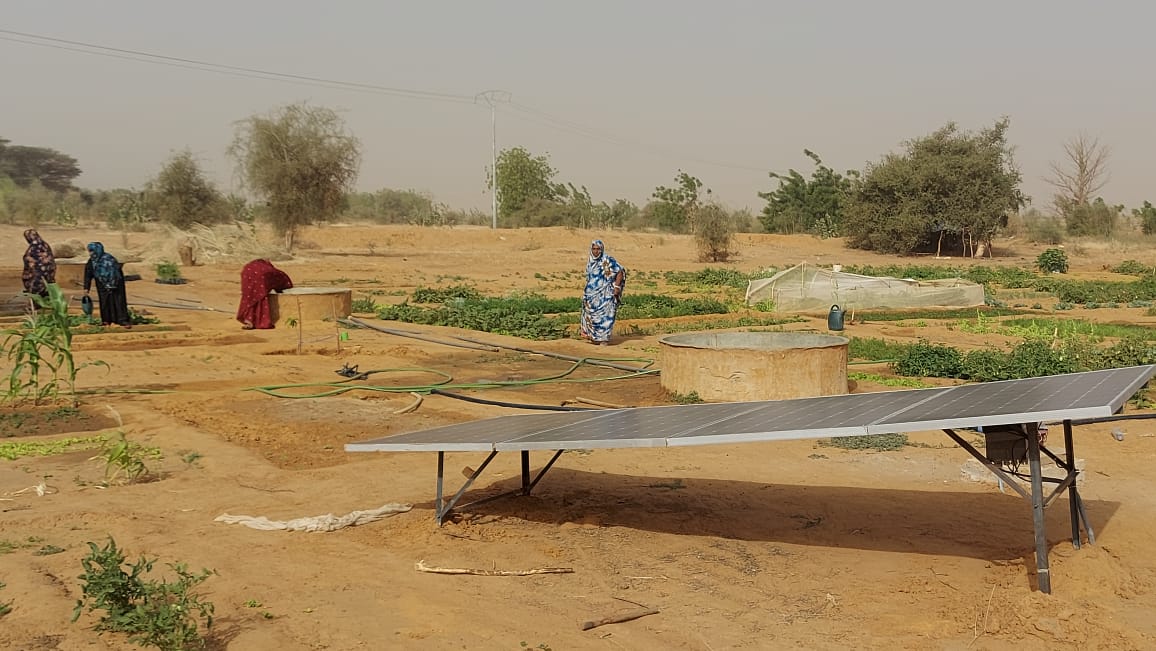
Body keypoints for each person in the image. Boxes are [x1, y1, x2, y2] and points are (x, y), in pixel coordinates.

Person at [580, 239, 625, 346]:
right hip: (591, 295)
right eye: (594, 249)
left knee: (606, 316)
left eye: (598, 249)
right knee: (591, 315)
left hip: (605, 295)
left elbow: (619, 271)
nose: (596, 251)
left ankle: (604, 339)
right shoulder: (591, 261)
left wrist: (617, 287)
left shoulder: (607, 260)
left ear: (602, 249)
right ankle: (594, 337)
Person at [84, 242, 132, 327]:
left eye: (92, 251)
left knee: (118, 302)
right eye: (90, 251)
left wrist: (114, 282)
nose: (90, 253)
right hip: (102, 285)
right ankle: (106, 320)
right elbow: (88, 274)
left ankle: (122, 320)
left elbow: (118, 272)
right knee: (105, 303)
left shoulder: (110, 259)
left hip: (117, 285)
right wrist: (86, 288)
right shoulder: (91, 262)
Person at [236, 259, 293, 329]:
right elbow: (281, 282)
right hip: (260, 279)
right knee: (261, 299)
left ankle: (249, 321)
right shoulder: (273, 271)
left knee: (249, 299)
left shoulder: (252, 266)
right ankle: (259, 322)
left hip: (247, 278)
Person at [21, 229, 57, 299]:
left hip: (38, 276)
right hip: (49, 275)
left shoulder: (34, 247)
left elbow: (33, 261)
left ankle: (37, 303)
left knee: (36, 287)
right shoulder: (45, 245)